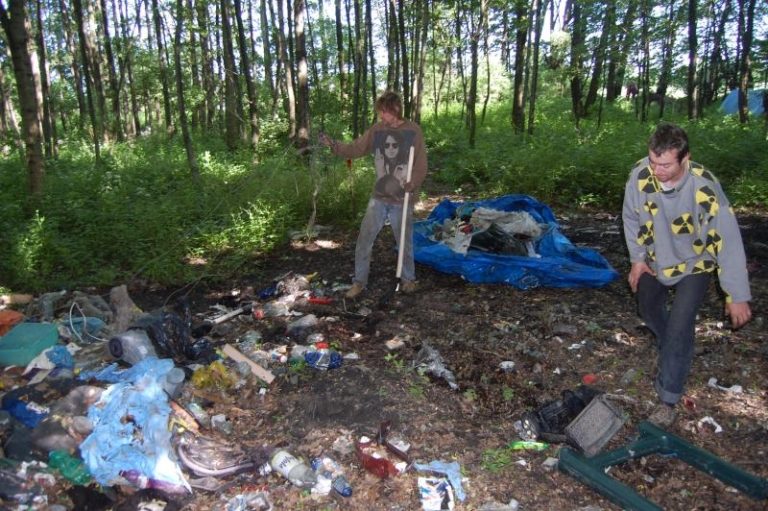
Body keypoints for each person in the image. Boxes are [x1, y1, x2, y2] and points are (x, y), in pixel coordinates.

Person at [622, 123, 752, 427]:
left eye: (665, 164)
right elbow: (630, 216)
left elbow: (728, 240)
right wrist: (637, 260)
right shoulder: (641, 176)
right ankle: (674, 348)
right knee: (649, 309)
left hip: (696, 261)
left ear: (685, 158)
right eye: (653, 161)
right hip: (655, 257)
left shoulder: (704, 187)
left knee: (680, 325)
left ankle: (668, 397)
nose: (657, 170)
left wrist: (737, 294)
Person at [320, 91, 428, 299]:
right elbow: (356, 148)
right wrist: (334, 145)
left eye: (384, 112)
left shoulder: (414, 131)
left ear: (395, 110)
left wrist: (412, 182)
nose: (381, 116)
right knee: (365, 238)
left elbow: (421, 164)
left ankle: (407, 279)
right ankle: (359, 282)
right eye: (380, 112)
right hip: (379, 196)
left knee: (404, 240)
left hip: (403, 197)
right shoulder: (377, 130)